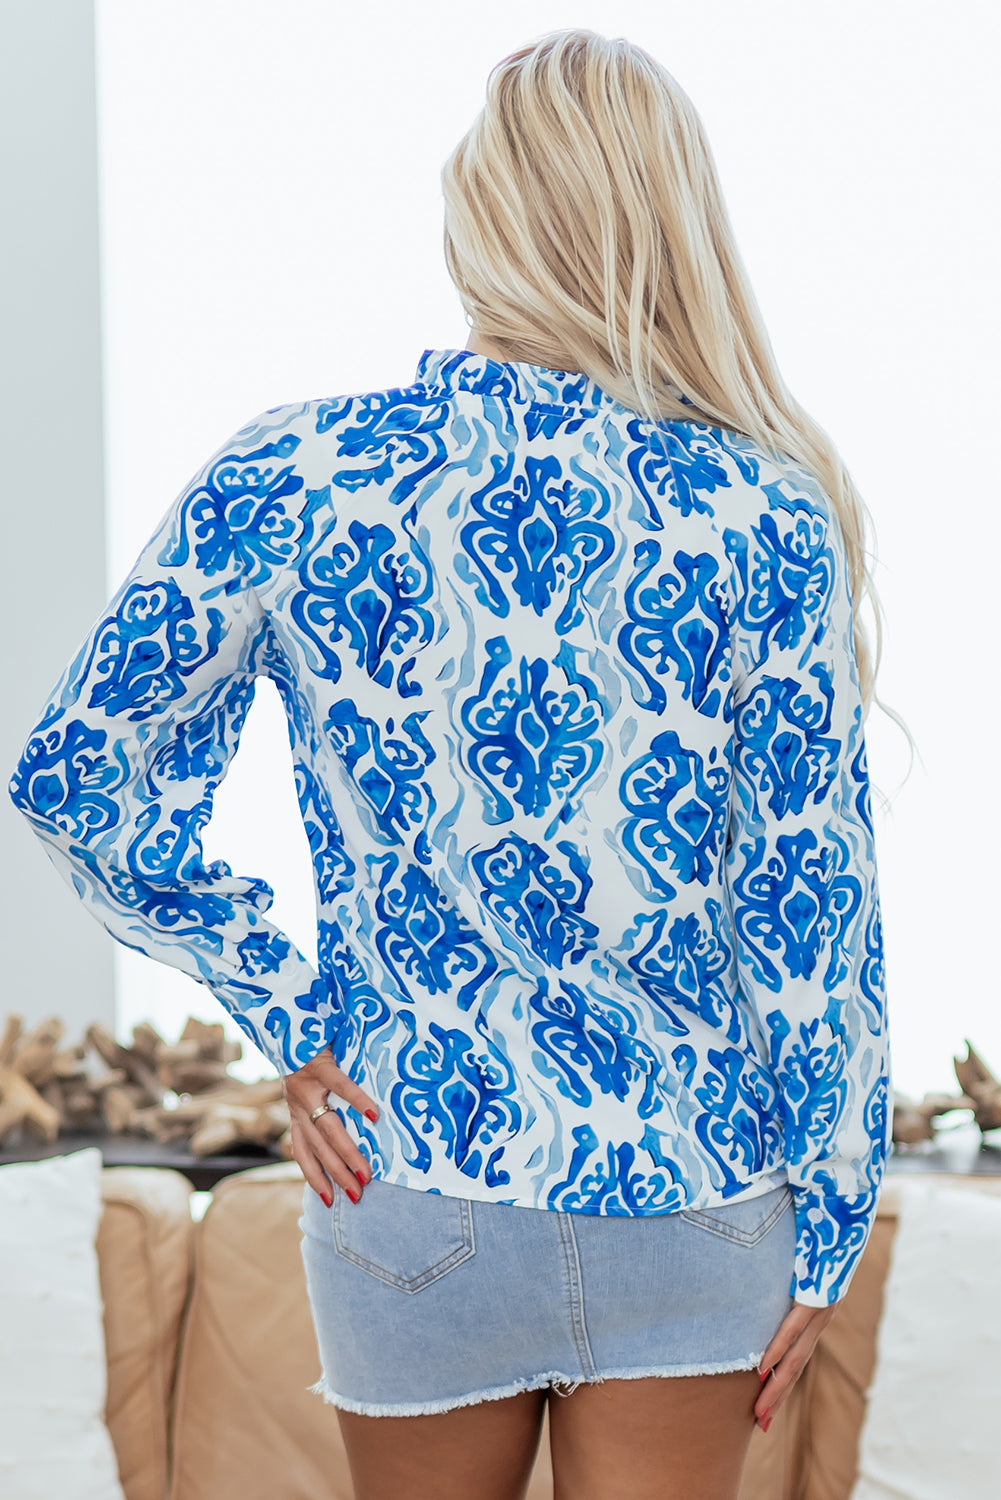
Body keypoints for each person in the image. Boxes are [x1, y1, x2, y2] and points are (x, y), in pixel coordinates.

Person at [9, 26, 892, 1500]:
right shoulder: (759, 512)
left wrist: (285, 1003)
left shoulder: (300, 474)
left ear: (473, 220)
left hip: (411, 1171)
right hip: (691, 1189)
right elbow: (811, 905)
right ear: (669, 223)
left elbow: (74, 774)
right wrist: (833, 1213)